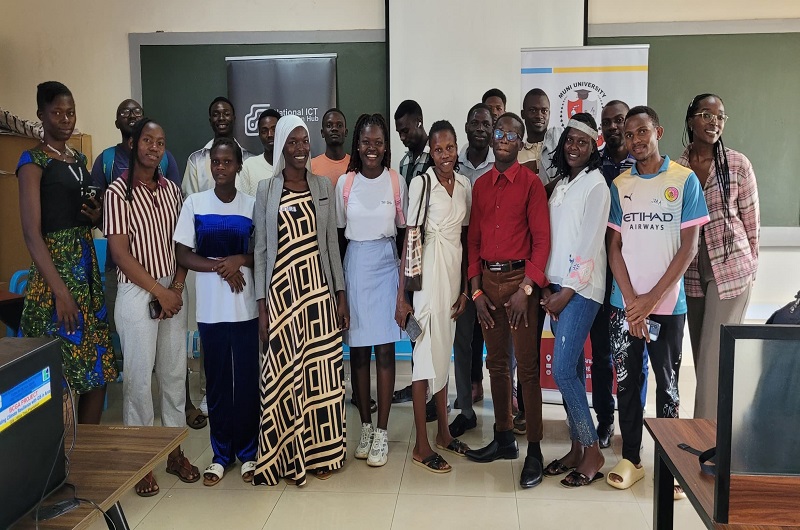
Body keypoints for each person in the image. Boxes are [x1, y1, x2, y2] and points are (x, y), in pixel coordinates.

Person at [605, 106, 709, 492]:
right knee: (628, 385)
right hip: (625, 306)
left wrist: (651, 300)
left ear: (658, 131)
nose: (636, 140)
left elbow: (689, 247)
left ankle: (671, 463)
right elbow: (613, 247)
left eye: (642, 132)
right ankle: (631, 458)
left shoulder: (684, 181)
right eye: (629, 135)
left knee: (668, 387)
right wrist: (633, 300)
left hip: (666, 308)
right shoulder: (621, 184)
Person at [104, 118, 200, 496]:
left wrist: (174, 288)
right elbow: (119, 253)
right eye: (147, 140)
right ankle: (140, 462)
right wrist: (158, 292)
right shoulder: (117, 193)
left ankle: (174, 453)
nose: (154, 148)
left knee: (176, 378)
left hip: (173, 293)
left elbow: (182, 245)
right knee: (140, 383)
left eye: (160, 142)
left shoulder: (174, 192)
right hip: (137, 293)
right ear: (133, 144)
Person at [253, 115, 348, 486]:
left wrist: (340, 295)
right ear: (280, 146)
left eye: (303, 141)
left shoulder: (323, 185)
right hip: (282, 295)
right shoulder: (265, 189)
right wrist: (262, 306)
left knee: (322, 374)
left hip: (318, 294)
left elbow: (331, 247)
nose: (298, 149)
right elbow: (261, 250)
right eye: (291, 142)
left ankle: (322, 453)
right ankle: (284, 455)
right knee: (284, 375)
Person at [16, 81, 117, 425]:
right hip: (54, 279)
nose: (65, 118)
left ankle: (87, 456)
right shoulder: (32, 160)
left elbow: (84, 213)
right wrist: (61, 293)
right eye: (56, 112)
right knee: (57, 376)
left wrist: (97, 216)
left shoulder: (80, 158)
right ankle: (53, 462)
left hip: (87, 273)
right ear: (41, 115)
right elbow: (31, 233)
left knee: (99, 370)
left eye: (70, 111)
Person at [464, 112, 550, 490]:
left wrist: (527, 289)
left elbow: (542, 241)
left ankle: (533, 448)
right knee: (496, 364)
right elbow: (474, 242)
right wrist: (476, 290)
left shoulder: (531, 184)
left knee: (527, 369)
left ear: (520, 143)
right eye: (499, 132)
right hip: (488, 283)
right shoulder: (480, 186)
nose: (503, 138)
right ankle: (503, 439)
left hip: (519, 284)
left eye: (511, 134)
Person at [174, 137, 259, 486]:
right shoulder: (195, 203)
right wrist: (221, 267)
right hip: (210, 310)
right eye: (216, 162)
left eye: (227, 162)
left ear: (239, 166)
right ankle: (221, 454)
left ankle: (250, 453)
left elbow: (264, 252)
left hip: (246, 309)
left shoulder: (252, 205)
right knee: (219, 386)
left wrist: (240, 259)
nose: (220, 168)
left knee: (248, 385)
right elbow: (182, 253)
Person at [395, 120, 472, 473]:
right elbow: (410, 239)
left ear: (458, 149)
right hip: (425, 281)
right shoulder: (422, 183)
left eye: (449, 148)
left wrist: (467, 289)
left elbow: (467, 240)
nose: (444, 155)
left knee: (443, 354)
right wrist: (403, 298)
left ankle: (443, 432)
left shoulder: (465, 186)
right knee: (425, 356)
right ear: (431, 152)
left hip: (453, 277)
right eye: (438, 149)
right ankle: (421, 446)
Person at [538, 113, 610, 488]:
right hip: (557, 290)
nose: (574, 147)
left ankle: (593, 450)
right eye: (570, 140)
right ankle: (576, 448)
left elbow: (588, 246)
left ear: (593, 146)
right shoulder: (564, 183)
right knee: (574, 373)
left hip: (581, 292)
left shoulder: (596, 185)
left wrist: (565, 293)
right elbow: (553, 237)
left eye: (582, 142)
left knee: (563, 371)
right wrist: (550, 288)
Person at [678, 93, 759, 421]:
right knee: (703, 359)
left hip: (731, 271)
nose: (714, 123)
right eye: (706, 115)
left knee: (713, 360)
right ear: (691, 120)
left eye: (720, 117)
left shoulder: (738, 164)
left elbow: (752, 223)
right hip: (693, 272)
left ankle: (707, 445)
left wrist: (751, 268)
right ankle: (727, 432)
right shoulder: (677, 168)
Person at [336, 113, 407, 468]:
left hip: (385, 263)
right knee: (359, 354)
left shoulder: (396, 182)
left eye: (378, 142)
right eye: (366, 142)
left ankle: (382, 432)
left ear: (385, 145)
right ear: (357, 145)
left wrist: (404, 288)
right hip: (355, 265)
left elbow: (406, 233)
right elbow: (337, 235)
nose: (372, 149)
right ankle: (364, 426)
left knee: (385, 351)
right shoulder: (346, 184)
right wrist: (340, 290)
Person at [589, 99, 636, 448]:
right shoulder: (595, 165)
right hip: (600, 272)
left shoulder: (644, 166)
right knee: (603, 354)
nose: (614, 127)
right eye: (607, 122)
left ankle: (634, 423)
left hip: (636, 274)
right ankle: (605, 421)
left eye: (619, 120)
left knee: (632, 355)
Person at [450, 103, 494, 437]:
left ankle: (508, 412)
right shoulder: (453, 165)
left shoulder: (503, 162)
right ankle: (465, 407)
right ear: (466, 127)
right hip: (463, 266)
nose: (480, 127)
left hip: (498, 268)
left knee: (501, 347)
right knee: (463, 342)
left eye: (486, 123)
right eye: (474, 122)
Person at [184, 96, 254, 196]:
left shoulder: (250, 159)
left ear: (234, 119)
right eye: (216, 114)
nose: (221, 118)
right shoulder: (196, 160)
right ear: (210, 121)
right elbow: (190, 200)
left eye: (226, 114)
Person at [519, 88, 563, 185]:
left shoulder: (561, 146)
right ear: (523, 114)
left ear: (549, 114)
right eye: (533, 110)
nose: (539, 116)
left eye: (544, 111)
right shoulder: (516, 154)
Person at [237, 108, 281, 197]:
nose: (270, 135)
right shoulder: (248, 167)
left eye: (274, 129)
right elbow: (240, 203)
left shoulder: (292, 166)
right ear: (259, 135)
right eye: (264, 131)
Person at [394, 100, 432, 186]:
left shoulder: (436, 155)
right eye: (399, 132)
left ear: (419, 122)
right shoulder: (403, 163)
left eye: (405, 131)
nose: (401, 137)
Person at [311, 108, 351, 189]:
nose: (334, 129)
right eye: (329, 125)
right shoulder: (311, 166)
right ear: (322, 133)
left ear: (346, 132)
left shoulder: (355, 165)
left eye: (339, 125)